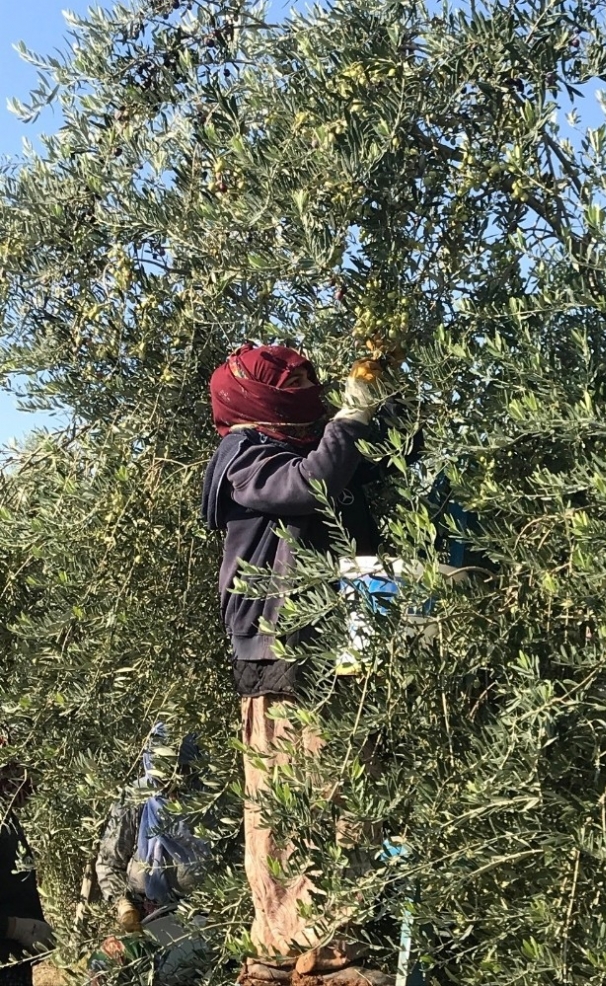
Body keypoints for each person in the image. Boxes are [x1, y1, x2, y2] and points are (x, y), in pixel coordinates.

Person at [202, 343, 394, 986]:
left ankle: (315, 941)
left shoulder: (286, 447)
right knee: (298, 801)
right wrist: (349, 416)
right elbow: (306, 483)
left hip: (321, 646)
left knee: (332, 794)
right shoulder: (245, 453)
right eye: (298, 386)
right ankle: (302, 945)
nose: (307, 394)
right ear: (259, 399)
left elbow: (354, 469)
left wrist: (374, 404)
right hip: (283, 651)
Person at [92, 725, 212, 984]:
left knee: (166, 974)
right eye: (161, 777)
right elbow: (109, 861)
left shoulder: (212, 804)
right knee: (104, 966)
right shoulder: (135, 799)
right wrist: (122, 904)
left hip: (200, 926)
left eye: (180, 773)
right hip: (144, 924)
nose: (169, 786)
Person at [0, 746, 54, 986]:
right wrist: (16, 928)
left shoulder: (6, 817)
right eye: (17, 771)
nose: (30, 783)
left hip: (12, 958)